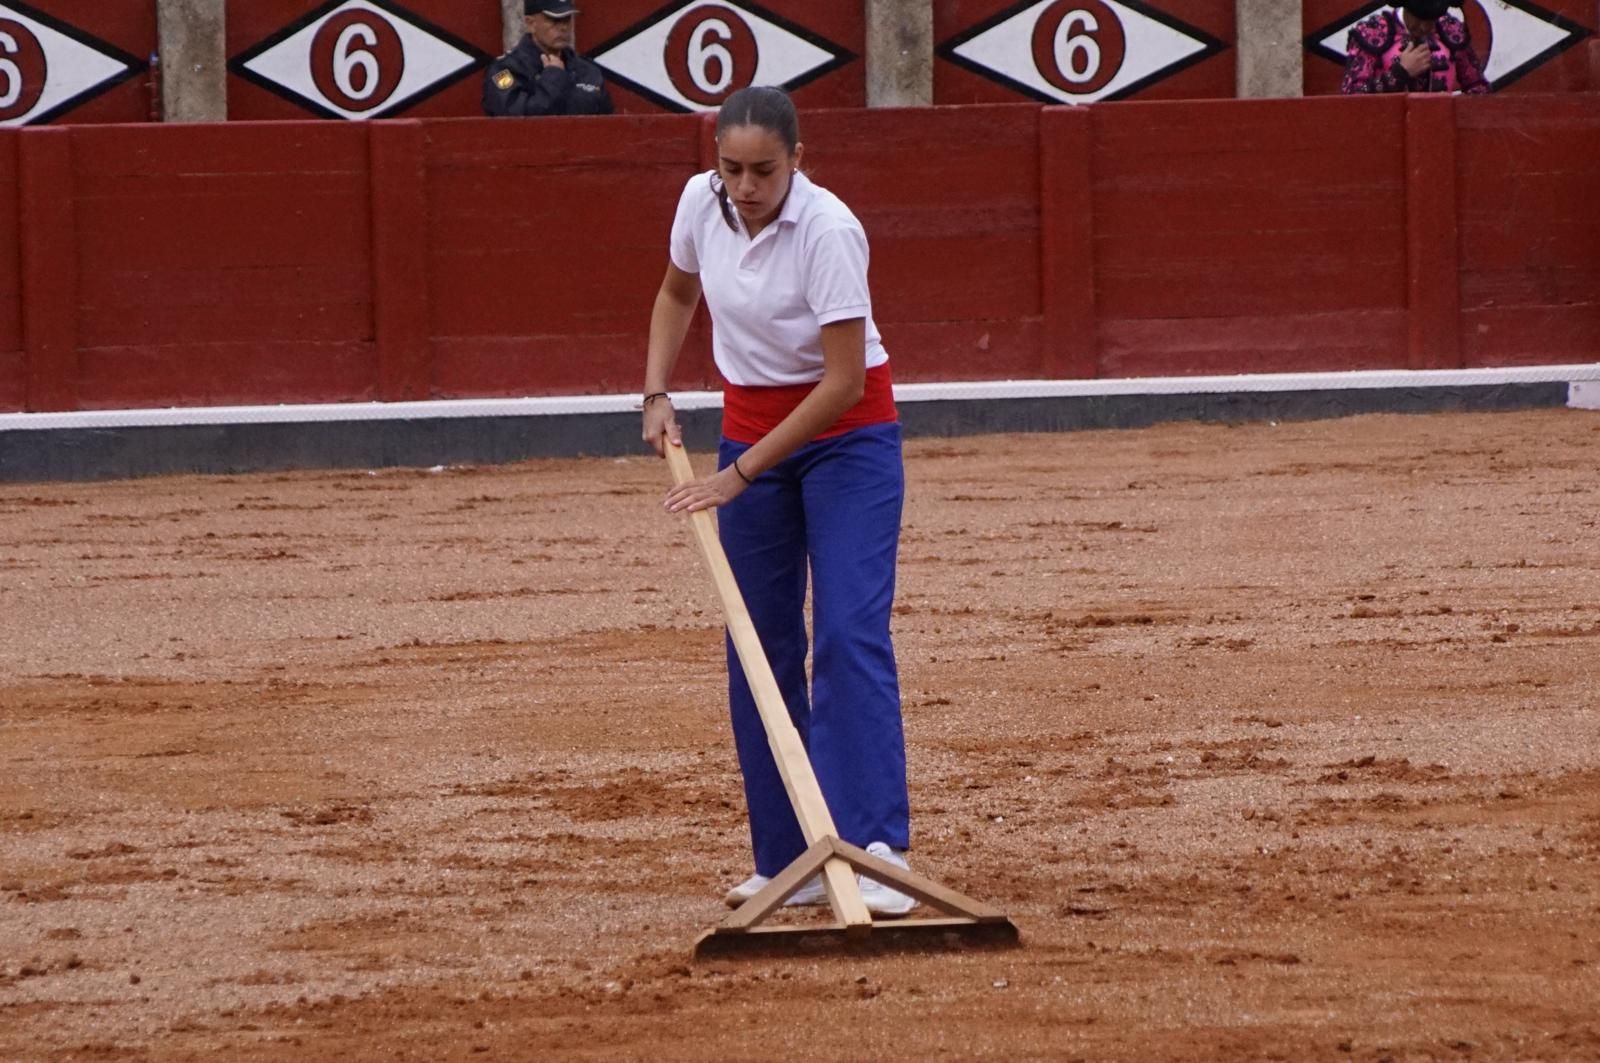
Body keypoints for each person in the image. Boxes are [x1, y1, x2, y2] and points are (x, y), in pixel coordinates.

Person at [640, 86, 916, 917]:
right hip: (749, 438)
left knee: (846, 632)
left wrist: (739, 473)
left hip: (848, 445)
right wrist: (654, 389)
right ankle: (786, 854)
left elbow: (841, 383)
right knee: (755, 644)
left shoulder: (830, 229)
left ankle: (875, 848)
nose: (747, 186)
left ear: (799, 160)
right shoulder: (700, 202)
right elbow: (676, 295)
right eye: (732, 170)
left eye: (764, 169)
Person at [483, 1, 614, 117]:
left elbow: (608, 125)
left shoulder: (587, 71)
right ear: (530, 24)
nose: (563, 27)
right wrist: (553, 77)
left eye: (567, 19)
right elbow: (517, 120)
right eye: (554, 20)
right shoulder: (504, 70)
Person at [1341, 1, 1490, 95]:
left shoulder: (1452, 31)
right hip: (1385, 132)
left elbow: (1478, 87)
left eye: (1431, 20)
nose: (1424, 27)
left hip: (1440, 130)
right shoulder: (1372, 33)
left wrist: (1454, 106)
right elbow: (1352, 94)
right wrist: (1399, 73)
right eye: (1418, 19)